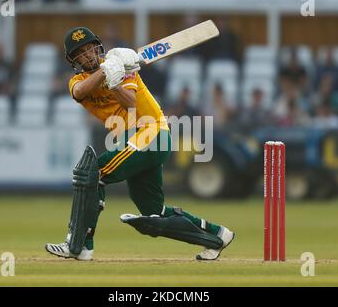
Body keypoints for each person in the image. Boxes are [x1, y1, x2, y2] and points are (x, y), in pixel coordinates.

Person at [45, 27, 234, 261]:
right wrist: (106, 71)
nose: (88, 55)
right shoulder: (78, 80)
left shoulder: (124, 67)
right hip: (133, 140)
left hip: (150, 131)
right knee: (155, 213)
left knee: (93, 173)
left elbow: (131, 104)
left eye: (90, 48)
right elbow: (81, 91)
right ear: (73, 61)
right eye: (80, 53)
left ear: (98, 47)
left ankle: (80, 245)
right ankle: (216, 235)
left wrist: (115, 82)